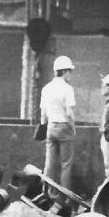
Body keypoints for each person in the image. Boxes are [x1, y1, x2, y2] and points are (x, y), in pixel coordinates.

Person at [39, 53, 76, 191]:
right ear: (65, 71)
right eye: (70, 72)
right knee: (66, 164)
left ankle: (46, 192)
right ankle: (65, 195)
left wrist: (44, 127)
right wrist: (73, 128)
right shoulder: (68, 89)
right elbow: (70, 113)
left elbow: (43, 114)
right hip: (64, 127)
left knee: (49, 163)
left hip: (50, 127)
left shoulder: (46, 88)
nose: (70, 75)